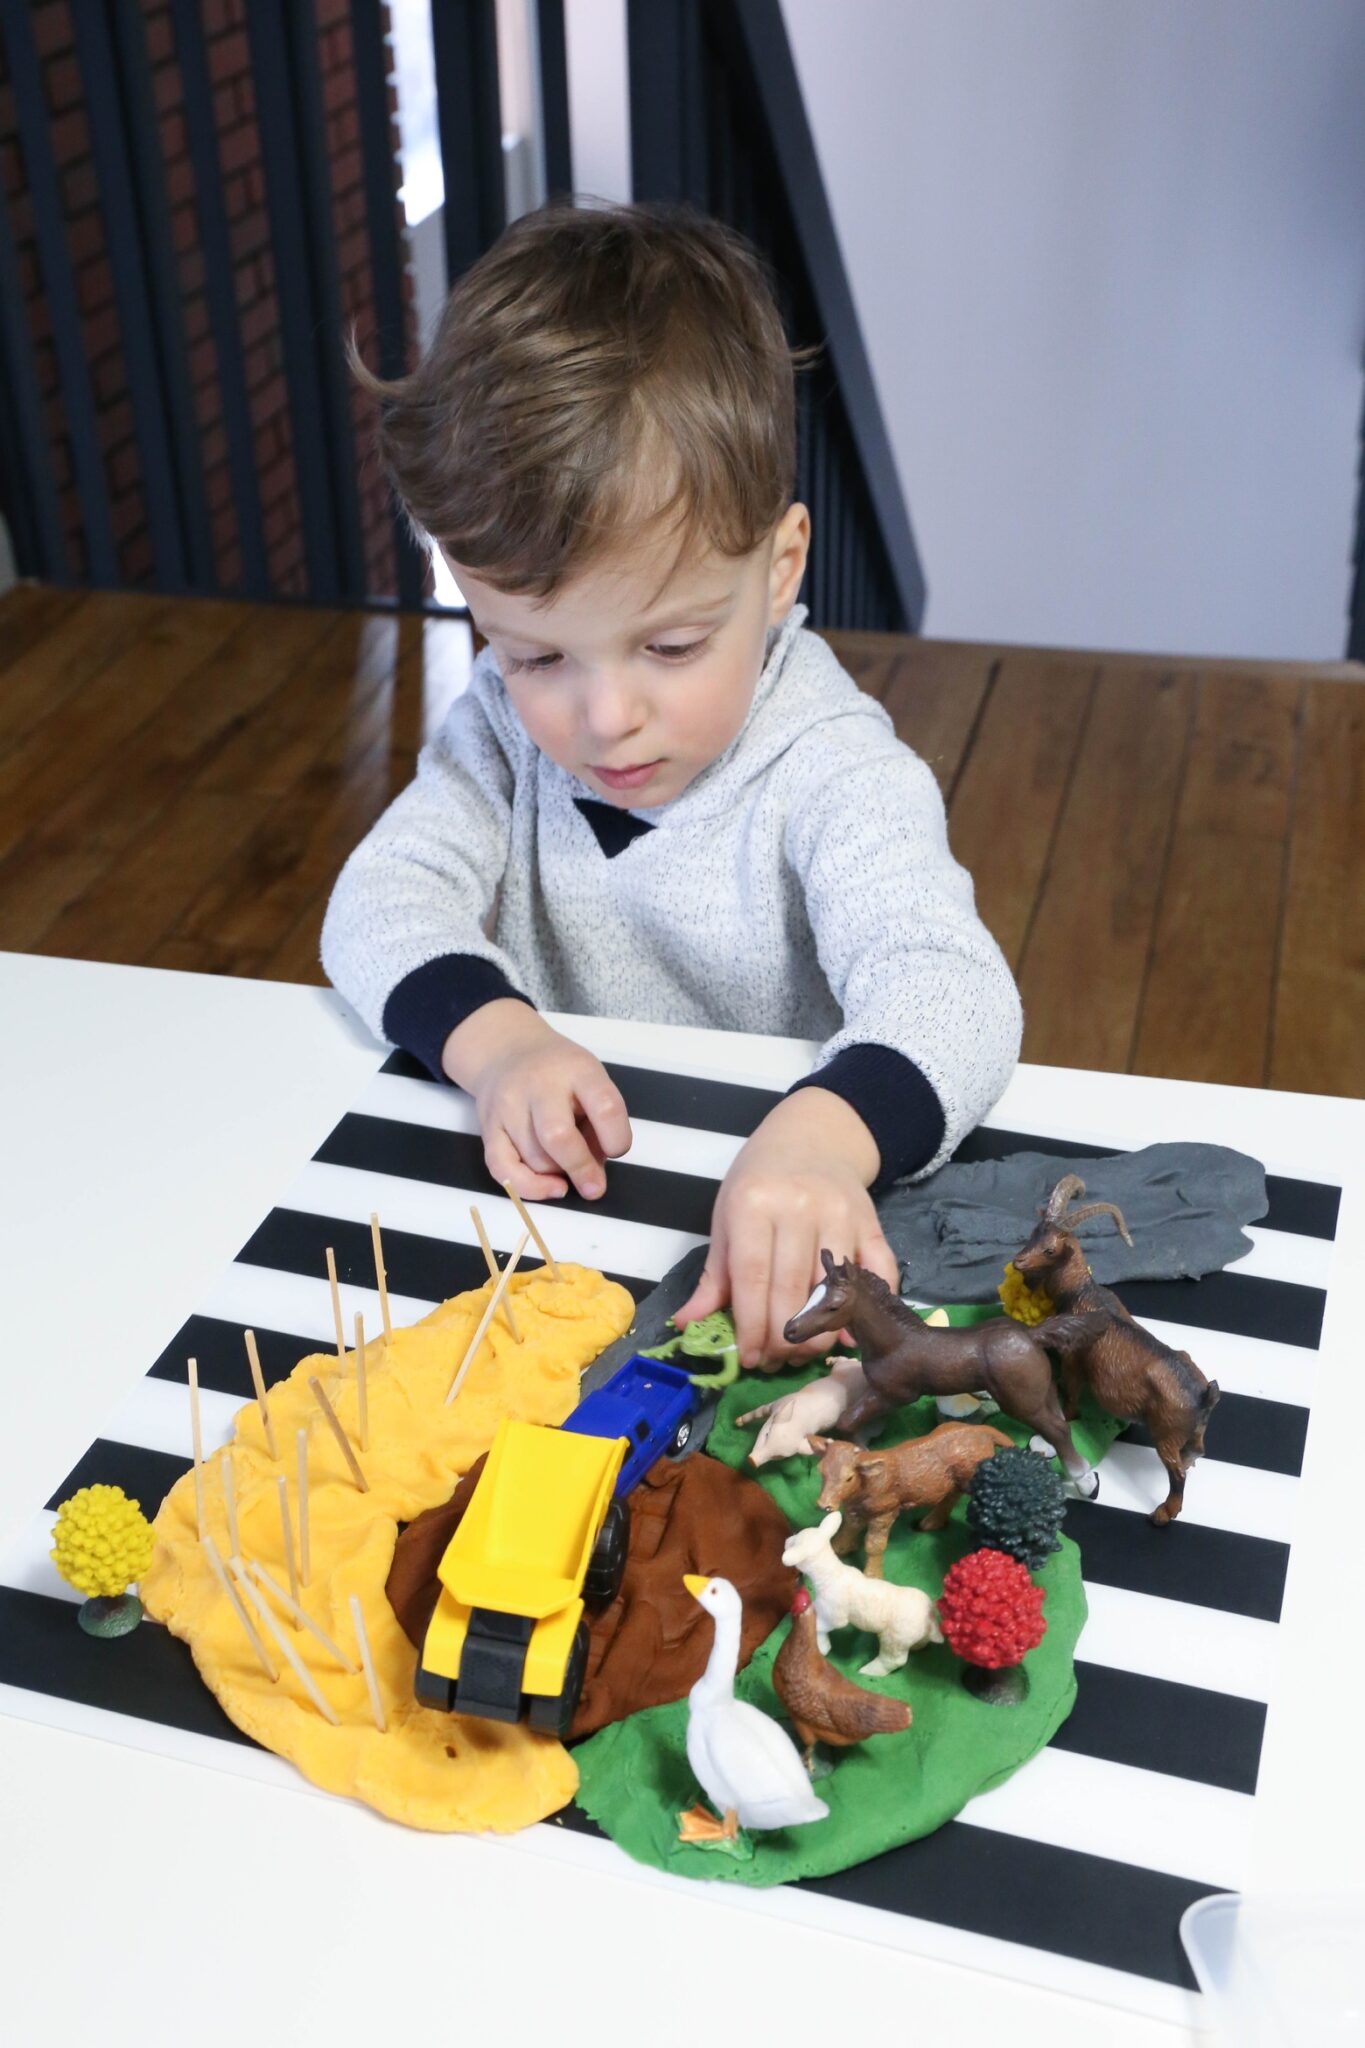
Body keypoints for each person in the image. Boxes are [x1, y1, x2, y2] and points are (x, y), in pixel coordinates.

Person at [322, 201, 1021, 1369]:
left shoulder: (835, 764)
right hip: (572, 1218)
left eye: (672, 646)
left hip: (783, 1223)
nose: (604, 717)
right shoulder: (501, 729)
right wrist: (497, 1044)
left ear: (780, 565)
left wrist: (823, 1137)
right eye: (537, 652)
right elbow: (379, 900)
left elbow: (953, 991)